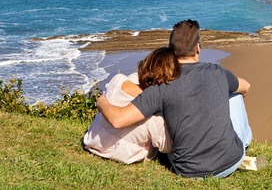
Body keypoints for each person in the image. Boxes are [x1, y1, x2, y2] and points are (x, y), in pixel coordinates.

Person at [97, 19, 253, 178]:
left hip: (189, 171)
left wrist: (101, 100)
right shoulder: (217, 71)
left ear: (171, 51)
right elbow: (246, 86)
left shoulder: (162, 87)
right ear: (198, 48)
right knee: (234, 95)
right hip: (230, 162)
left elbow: (118, 120)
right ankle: (243, 143)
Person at [84, 46, 179, 163]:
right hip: (121, 153)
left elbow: (133, 81)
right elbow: (167, 146)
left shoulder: (118, 81)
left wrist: (101, 100)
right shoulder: (154, 117)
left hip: (93, 140)